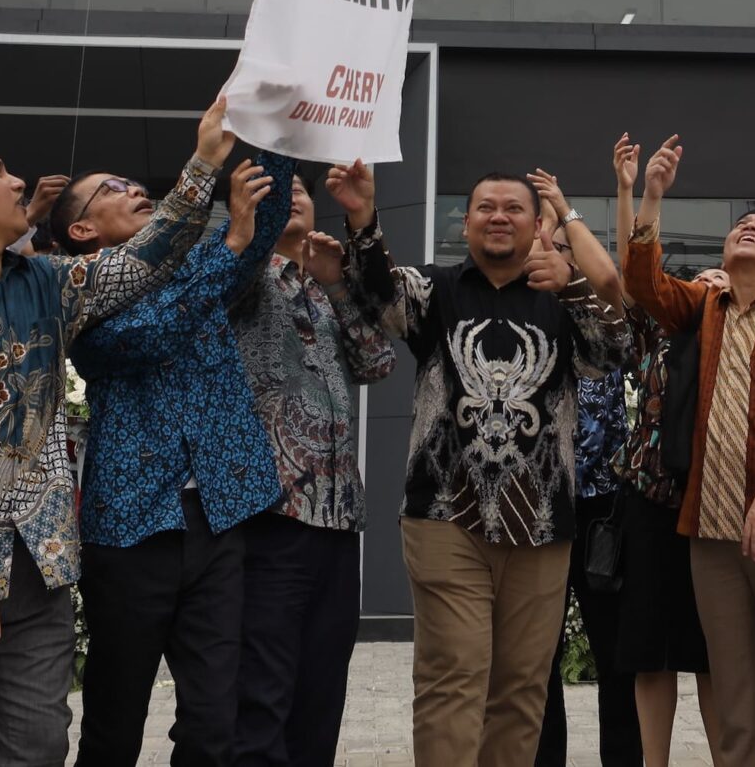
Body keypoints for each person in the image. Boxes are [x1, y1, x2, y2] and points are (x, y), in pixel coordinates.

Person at [0, 101, 235, 767]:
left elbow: (147, 254)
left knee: (39, 751)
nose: (19, 181)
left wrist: (203, 161)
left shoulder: (49, 282)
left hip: (37, 572)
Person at [346, 158, 627, 767]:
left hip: (542, 521)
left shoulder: (562, 295)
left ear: (537, 224)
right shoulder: (436, 289)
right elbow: (380, 297)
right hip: (444, 514)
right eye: (486, 208)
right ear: (467, 222)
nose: (499, 217)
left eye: (514, 208)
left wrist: (573, 284)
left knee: (522, 687)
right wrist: (364, 218)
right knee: (453, 673)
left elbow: (615, 351)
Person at [64, 148, 291, 767]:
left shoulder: (200, 268)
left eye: (135, 182)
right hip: (131, 529)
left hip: (215, 518)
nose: (135, 188)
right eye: (113, 187)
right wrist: (229, 244)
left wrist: (278, 131)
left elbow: (264, 223)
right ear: (82, 229)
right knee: (114, 724)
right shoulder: (77, 294)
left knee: (214, 723)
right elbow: (155, 330)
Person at [620, 138, 755, 767]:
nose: (750, 226)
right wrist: (651, 195)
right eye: (742, 224)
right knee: (735, 688)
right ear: (723, 255)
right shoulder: (703, 305)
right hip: (711, 527)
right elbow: (642, 284)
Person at [230, 170, 396, 767]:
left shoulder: (321, 285)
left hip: (337, 518)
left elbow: (377, 363)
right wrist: (255, 231)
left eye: (301, 189)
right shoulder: (236, 274)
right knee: (261, 696)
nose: (293, 195)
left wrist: (339, 286)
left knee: (321, 695)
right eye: (279, 187)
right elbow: (228, 291)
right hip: (270, 516)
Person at [606, 141, 714, 767]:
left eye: (717, 279)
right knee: (650, 649)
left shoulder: (746, 329)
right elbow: (634, 272)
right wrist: (633, 192)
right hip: (650, 498)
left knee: (713, 652)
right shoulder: (660, 326)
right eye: (697, 281)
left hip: (715, 505)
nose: (707, 285)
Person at [535, 159, 643, 767]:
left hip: (604, 509)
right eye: (544, 243)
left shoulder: (602, 313)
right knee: (538, 659)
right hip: (537, 509)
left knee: (615, 654)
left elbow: (615, 276)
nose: (551, 250)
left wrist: (569, 209)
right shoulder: (517, 310)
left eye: (561, 244)